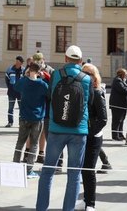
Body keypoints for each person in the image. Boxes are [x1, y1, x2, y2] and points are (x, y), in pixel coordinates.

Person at [36, 44, 91, 211]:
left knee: (47, 172)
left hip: (56, 128)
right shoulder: (86, 79)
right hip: (78, 131)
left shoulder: (56, 75)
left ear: (65, 59)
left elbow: (50, 96)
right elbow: (88, 102)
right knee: (74, 176)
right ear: (80, 61)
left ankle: (41, 208)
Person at [79, 63, 109, 211]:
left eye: (89, 73)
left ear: (95, 76)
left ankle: (91, 204)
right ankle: (85, 200)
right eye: (84, 72)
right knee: (83, 170)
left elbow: (103, 119)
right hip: (82, 135)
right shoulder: (81, 90)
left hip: (94, 136)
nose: (86, 75)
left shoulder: (97, 92)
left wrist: (89, 133)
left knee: (89, 170)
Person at [13, 61, 48, 176]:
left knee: (20, 142)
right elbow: (50, 94)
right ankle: (29, 170)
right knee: (34, 144)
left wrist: (25, 75)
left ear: (29, 70)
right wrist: (43, 77)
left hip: (24, 116)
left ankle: (15, 165)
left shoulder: (24, 81)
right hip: (37, 118)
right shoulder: (42, 84)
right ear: (39, 71)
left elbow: (16, 87)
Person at [108, 67, 127, 142]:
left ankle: (120, 134)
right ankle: (115, 135)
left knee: (121, 119)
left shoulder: (122, 80)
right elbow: (123, 90)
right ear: (122, 74)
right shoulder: (117, 80)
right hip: (117, 104)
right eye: (126, 74)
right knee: (117, 120)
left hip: (122, 104)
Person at [5, 55, 24, 128]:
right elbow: (7, 80)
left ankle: (21, 123)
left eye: (22, 62)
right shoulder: (10, 69)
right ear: (17, 61)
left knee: (21, 108)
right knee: (10, 108)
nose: (21, 64)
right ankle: (10, 122)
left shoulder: (24, 70)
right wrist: (10, 87)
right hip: (11, 92)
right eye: (20, 62)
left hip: (21, 93)